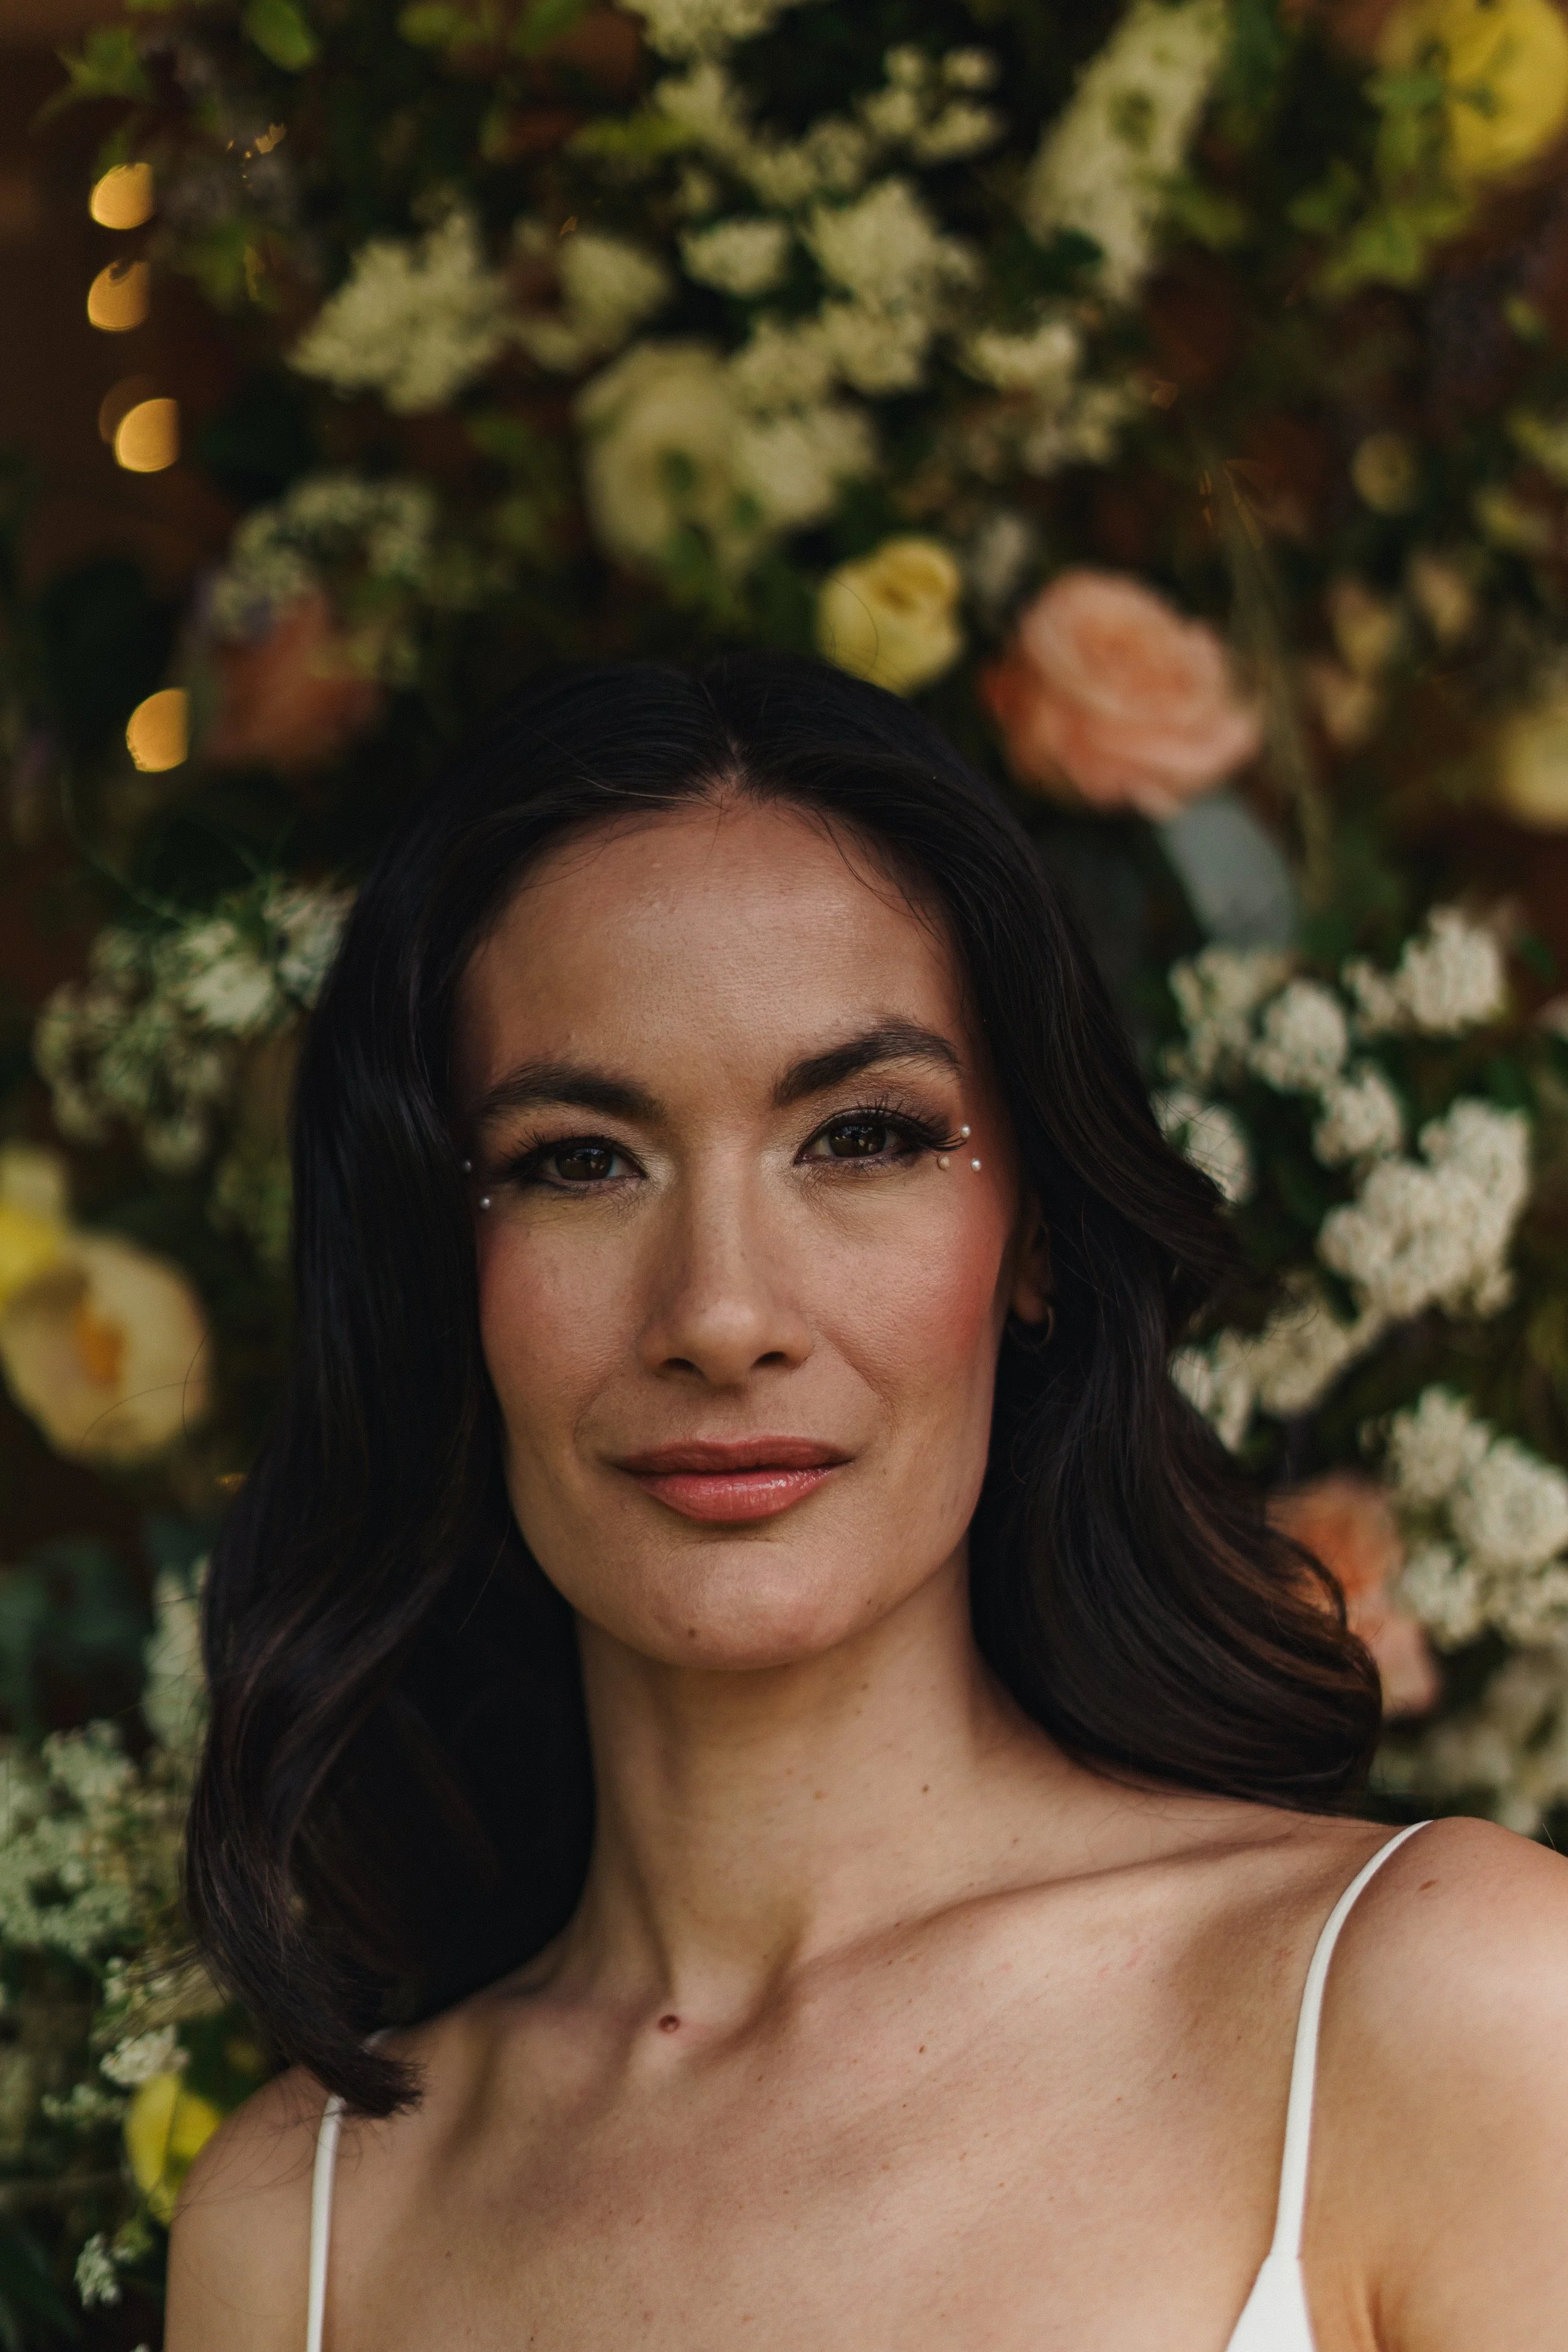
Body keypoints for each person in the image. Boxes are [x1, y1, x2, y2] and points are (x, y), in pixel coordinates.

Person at [167, 655, 1568, 2352]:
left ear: (1034, 1237)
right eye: (575, 1159)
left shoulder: (1436, 2007)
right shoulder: (302, 2231)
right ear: (434, 1272)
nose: (722, 1313)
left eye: (863, 1135)